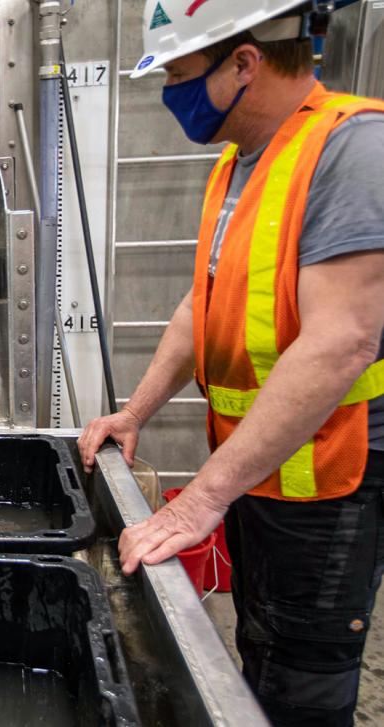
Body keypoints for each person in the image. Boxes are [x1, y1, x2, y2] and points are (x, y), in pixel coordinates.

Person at [77, 1, 384, 724]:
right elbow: (200, 306)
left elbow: (340, 341)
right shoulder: (240, 164)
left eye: (180, 74)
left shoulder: (353, 148)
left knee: (298, 687)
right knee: (259, 647)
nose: (170, 94)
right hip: (261, 468)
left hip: (328, 482)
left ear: (244, 63)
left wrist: (203, 497)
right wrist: (135, 412)